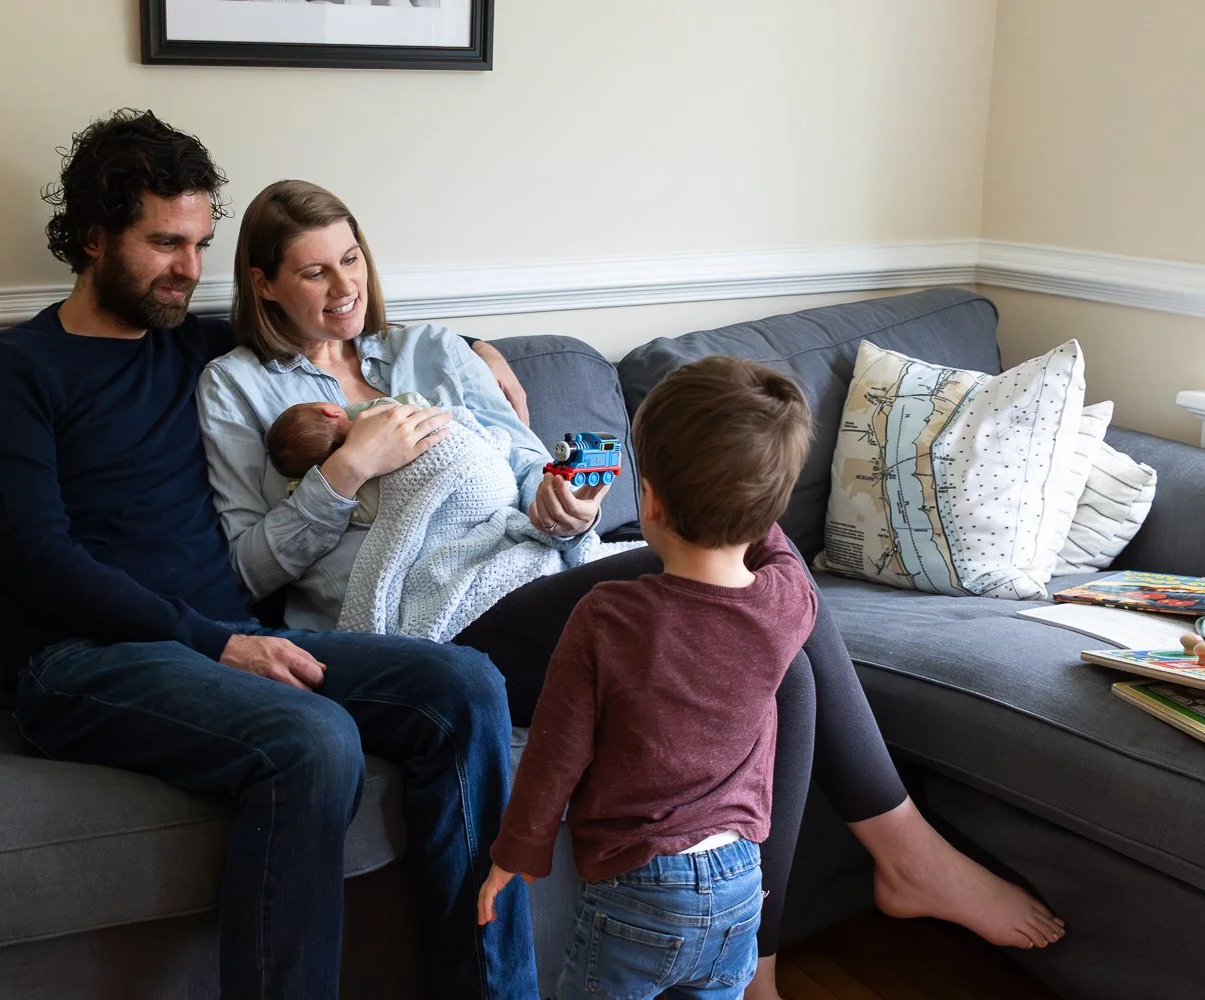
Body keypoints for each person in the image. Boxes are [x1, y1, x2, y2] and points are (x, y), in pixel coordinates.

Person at [198, 179, 1067, 999]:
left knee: (786, 662)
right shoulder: (235, 387)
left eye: (351, 259)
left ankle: (761, 953)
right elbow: (250, 566)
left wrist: (562, 504)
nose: (344, 286)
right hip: (438, 630)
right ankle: (904, 850)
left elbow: (528, 474)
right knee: (750, 570)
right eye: (314, 271)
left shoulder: (431, 349)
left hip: (535, 572)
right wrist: (350, 469)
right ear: (264, 283)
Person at [0, 109, 540, 1000]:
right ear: (94, 236)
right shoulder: (15, 371)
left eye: (199, 244)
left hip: (218, 638)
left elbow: (332, 317)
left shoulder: (196, 341)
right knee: (314, 740)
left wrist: (474, 349)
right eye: (163, 244)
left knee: (463, 686)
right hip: (85, 661)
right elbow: (37, 559)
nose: (188, 270)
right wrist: (215, 640)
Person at [477, 355, 818, 998]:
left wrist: (513, 854)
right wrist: (751, 488)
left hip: (639, 888)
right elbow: (774, 546)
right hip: (744, 878)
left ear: (651, 499)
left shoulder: (608, 616)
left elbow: (557, 751)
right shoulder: (788, 603)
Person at [266, 392, 428, 523]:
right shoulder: (376, 412)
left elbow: (368, 517)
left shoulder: (357, 499)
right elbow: (413, 401)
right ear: (330, 411)